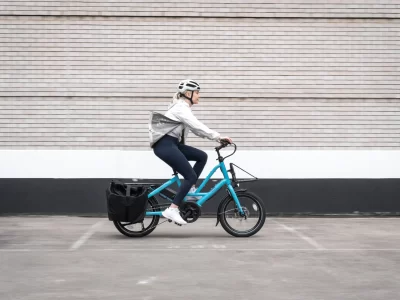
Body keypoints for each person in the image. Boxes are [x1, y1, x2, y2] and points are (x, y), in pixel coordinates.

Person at [150, 79, 232, 225]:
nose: (199, 96)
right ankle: (172, 209)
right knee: (190, 175)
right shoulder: (180, 108)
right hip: (166, 145)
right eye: (197, 93)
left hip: (173, 144)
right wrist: (218, 136)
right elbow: (198, 126)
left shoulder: (183, 109)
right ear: (188, 93)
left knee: (201, 156)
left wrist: (217, 139)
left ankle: (189, 191)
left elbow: (196, 130)